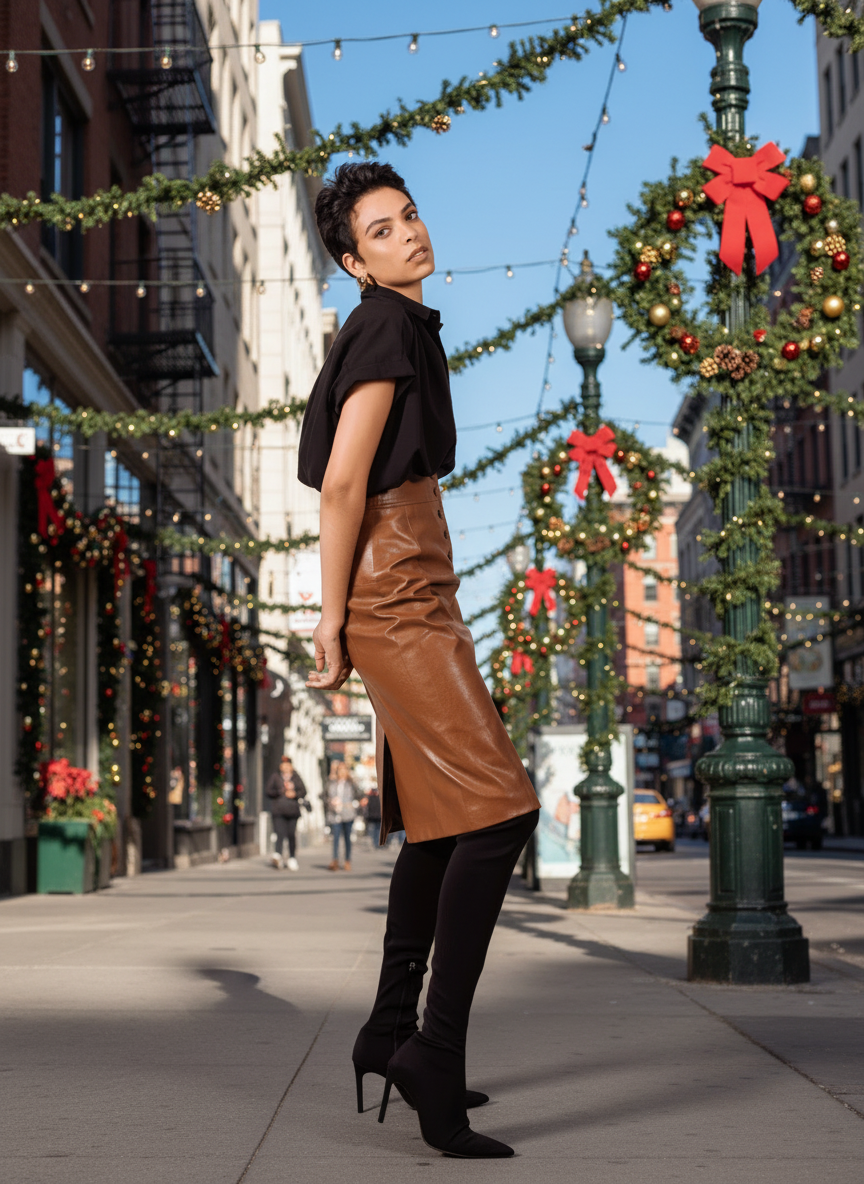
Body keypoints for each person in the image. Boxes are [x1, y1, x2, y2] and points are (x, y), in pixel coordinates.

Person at [299, 162, 539, 1159]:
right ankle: (433, 1049)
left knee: (443, 825)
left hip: (414, 586)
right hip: (396, 593)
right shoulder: (385, 325)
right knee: (503, 806)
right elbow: (345, 480)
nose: (410, 234)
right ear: (354, 259)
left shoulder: (392, 326)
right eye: (382, 230)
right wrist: (330, 619)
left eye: (410, 216)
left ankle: (391, 1028)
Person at [265, 756, 308, 870]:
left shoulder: (296, 777)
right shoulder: (276, 776)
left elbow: (303, 791)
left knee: (291, 835)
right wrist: (280, 791)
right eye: (283, 765)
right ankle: (278, 855)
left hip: (292, 811)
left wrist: (295, 794)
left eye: (288, 765)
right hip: (279, 810)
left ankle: (292, 857)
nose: (286, 767)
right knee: (280, 833)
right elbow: (268, 791)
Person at [326, 762, 358, 871]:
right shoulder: (331, 783)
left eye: (344, 770)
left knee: (347, 838)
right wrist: (331, 801)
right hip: (334, 814)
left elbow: (359, 796)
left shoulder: (351, 784)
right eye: (339, 770)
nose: (341, 772)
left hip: (348, 814)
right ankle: (335, 860)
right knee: (335, 838)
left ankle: (347, 860)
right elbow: (324, 795)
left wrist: (352, 805)